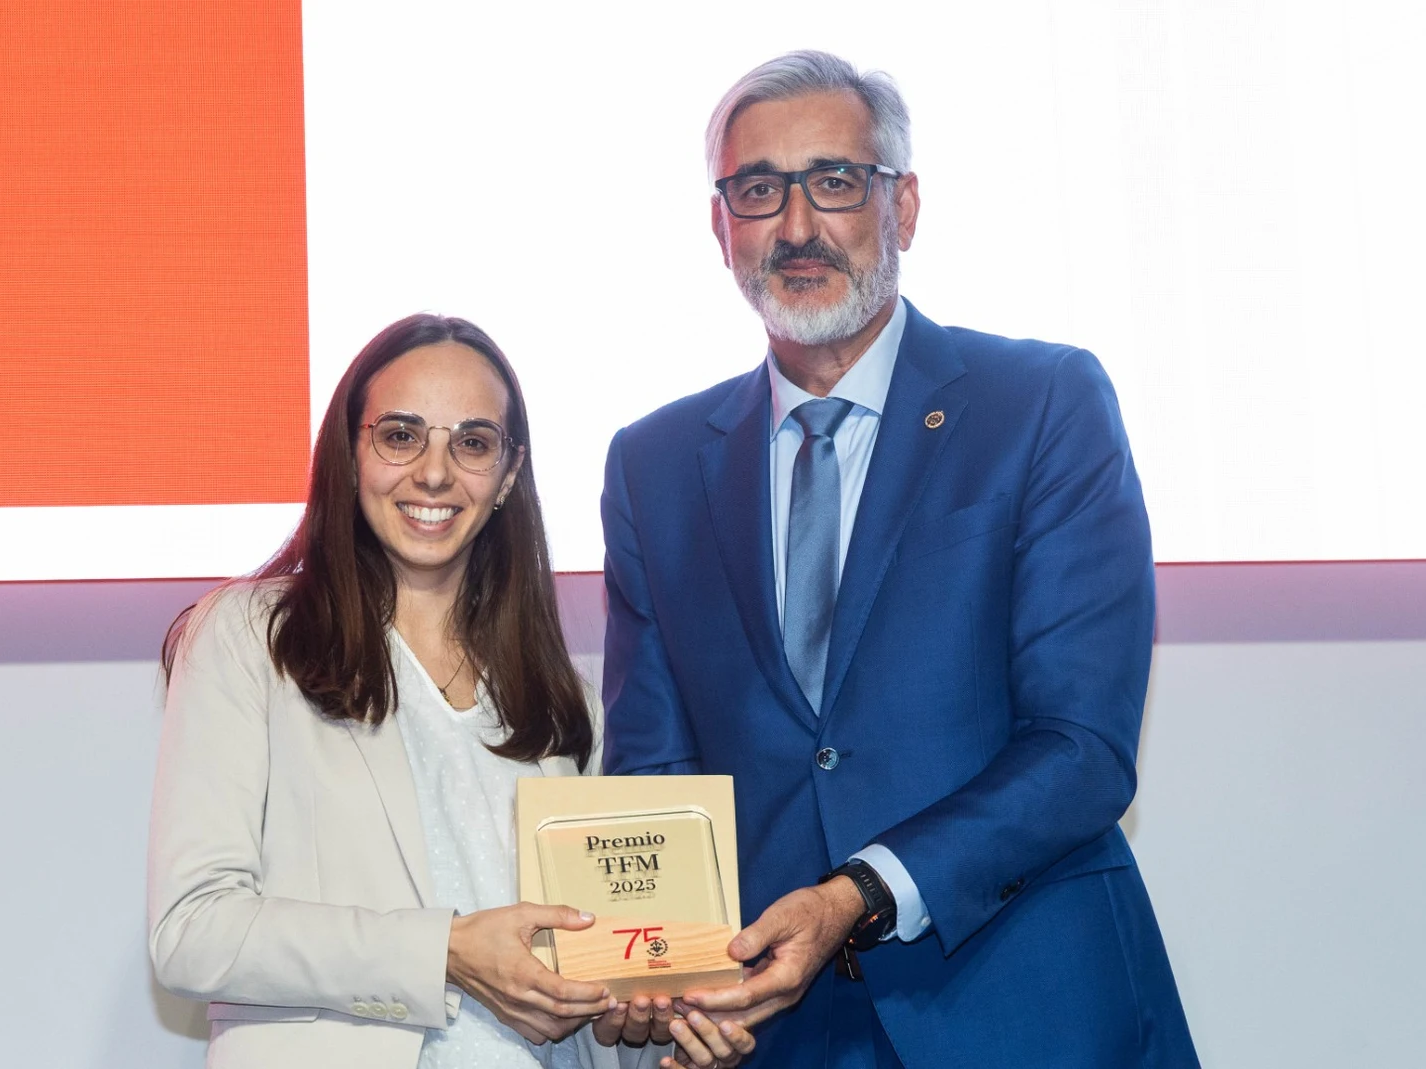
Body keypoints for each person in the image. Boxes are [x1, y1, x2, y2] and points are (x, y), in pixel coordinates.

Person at [600, 52, 1200, 1067]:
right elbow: (654, 775)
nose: (796, 226)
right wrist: (656, 970)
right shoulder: (654, 463)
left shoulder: (1041, 403)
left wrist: (858, 893)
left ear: (902, 207)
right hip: (776, 1034)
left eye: (834, 181)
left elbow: (1081, 745)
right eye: (758, 190)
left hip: (1026, 1013)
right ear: (720, 226)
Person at [149, 314, 755, 1069]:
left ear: (507, 475)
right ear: (349, 450)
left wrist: (667, 1031)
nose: (434, 474)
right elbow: (192, 930)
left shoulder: (566, 700)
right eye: (401, 435)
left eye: (471, 442)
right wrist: (444, 949)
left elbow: (593, 990)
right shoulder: (251, 639)